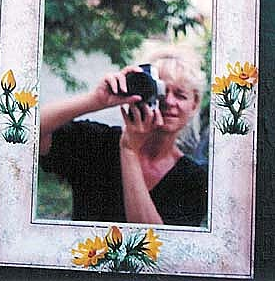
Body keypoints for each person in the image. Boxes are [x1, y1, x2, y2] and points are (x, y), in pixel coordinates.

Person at [39, 45, 208, 226]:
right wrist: (96, 100)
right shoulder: (99, 144)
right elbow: (28, 129)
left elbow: (153, 240)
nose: (168, 101)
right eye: (160, 91)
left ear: (194, 104)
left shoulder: (194, 179)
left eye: (180, 95)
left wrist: (129, 150)